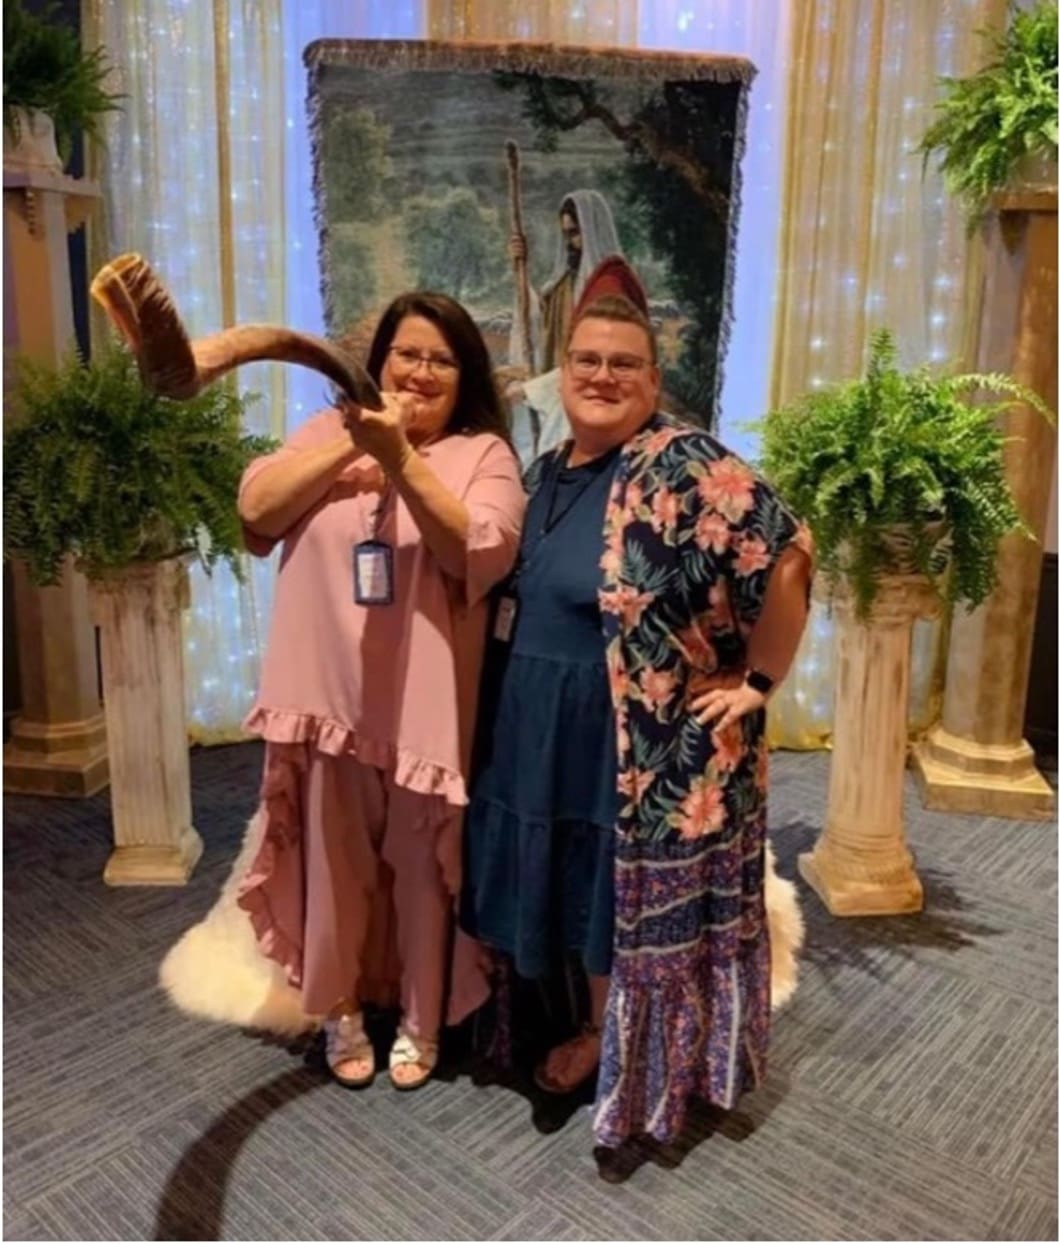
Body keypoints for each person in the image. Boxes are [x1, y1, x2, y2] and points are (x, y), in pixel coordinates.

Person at [461, 291, 813, 1152]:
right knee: (572, 884)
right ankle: (568, 1022)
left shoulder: (688, 465)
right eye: (587, 359)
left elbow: (791, 549)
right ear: (561, 370)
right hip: (533, 730)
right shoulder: (541, 470)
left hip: (641, 748)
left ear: (654, 380)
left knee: (615, 896)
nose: (603, 376)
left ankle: (622, 1049)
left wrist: (759, 680)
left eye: (625, 363)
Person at [236, 291, 526, 1091]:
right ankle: (339, 1010)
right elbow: (258, 506)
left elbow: (478, 545)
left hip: (423, 707)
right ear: (380, 362)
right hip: (328, 704)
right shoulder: (327, 431)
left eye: (440, 358)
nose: (420, 372)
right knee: (333, 862)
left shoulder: (483, 454)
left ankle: (424, 1018)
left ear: (463, 374)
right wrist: (352, 444)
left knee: (422, 866)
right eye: (407, 354)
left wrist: (399, 456)